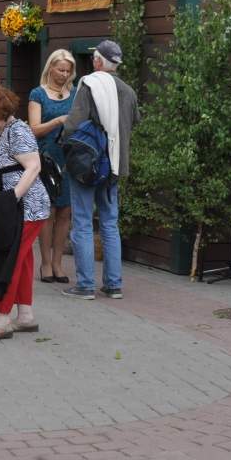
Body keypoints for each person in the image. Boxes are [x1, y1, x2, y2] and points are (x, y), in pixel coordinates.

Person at [61, 40, 139, 300]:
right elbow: (134, 122)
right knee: (109, 223)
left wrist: (66, 144)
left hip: (88, 164)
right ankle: (114, 285)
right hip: (115, 165)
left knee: (82, 222)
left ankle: (85, 285)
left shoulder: (90, 84)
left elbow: (73, 124)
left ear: (97, 61)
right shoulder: (128, 91)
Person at [0, 85, 49, 340]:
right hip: (17, 207)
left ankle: (2, 317)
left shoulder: (18, 131)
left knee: (9, 261)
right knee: (23, 259)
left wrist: (12, 197)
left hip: (24, 208)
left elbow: (33, 166)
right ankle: (25, 315)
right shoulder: (5, 131)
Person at [28, 50, 77, 284]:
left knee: (65, 211)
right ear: (50, 68)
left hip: (69, 159)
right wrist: (58, 121)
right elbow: (34, 128)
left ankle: (58, 262)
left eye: (68, 71)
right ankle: (45, 263)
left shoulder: (75, 94)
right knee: (47, 211)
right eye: (60, 70)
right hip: (46, 159)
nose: (64, 74)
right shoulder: (38, 94)